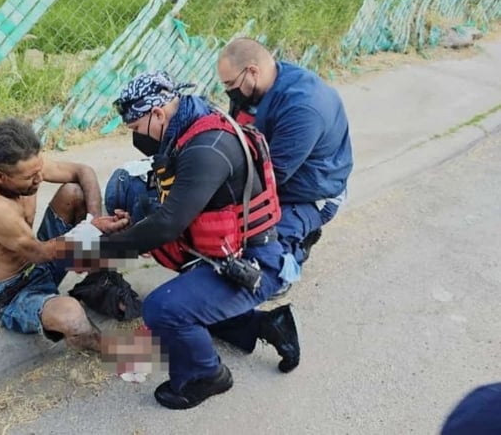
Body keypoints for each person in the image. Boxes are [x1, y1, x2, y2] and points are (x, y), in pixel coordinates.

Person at [80, 70, 300, 410]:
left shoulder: (206, 148)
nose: (136, 138)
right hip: (228, 252)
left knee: (162, 308)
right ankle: (269, 325)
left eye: (136, 129)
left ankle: (206, 375)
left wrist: (101, 251)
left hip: (255, 263)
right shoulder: (191, 123)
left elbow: (169, 223)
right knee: (190, 306)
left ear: (157, 114)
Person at [0, 118, 130, 352]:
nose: (39, 179)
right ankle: (117, 352)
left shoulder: (28, 169)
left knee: (74, 192)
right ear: (1, 177)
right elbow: (40, 254)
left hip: (41, 261)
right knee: (72, 316)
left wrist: (93, 222)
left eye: (39, 170)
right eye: (30, 178)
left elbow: (83, 171)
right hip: (16, 292)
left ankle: (98, 282)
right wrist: (94, 230)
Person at [217, 38, 354, 290]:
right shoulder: (258, 87)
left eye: (229, 84)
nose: (228, 92)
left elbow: (272, 176)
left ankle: (291, 254)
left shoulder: (303, 107)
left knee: (259, 264)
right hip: (283, 174)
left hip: (313, 193)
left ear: (252, 71)